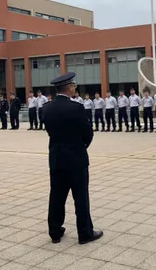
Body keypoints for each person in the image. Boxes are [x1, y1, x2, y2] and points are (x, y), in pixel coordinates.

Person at [42, 72, 103, 244]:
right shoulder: (76, 108)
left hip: (56, 158)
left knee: (56, 196)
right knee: (80, 197)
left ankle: (55, 232)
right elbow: (88, 134)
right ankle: (85, 233)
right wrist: (80, 147)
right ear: (69, 88)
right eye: (73, 86)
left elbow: (50, 131)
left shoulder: (46, 108)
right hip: (76, 159)